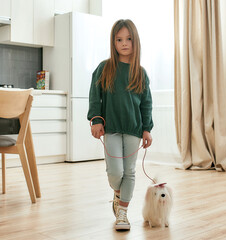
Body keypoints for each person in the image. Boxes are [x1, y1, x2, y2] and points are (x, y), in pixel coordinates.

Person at [87, 19, 153, 231]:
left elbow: (146, 104)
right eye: (119, 39)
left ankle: (122, 213)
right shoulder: (104, 68)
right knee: (115, 172)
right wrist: (96, 119)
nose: (124, 43)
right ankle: (118, 194)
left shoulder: (140, 73)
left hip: (134, 129)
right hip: (112, 128)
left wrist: (147, 128)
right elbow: (94, 96)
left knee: (130, 172)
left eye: (128, 39)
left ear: (136, 42)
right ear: (113, 43)